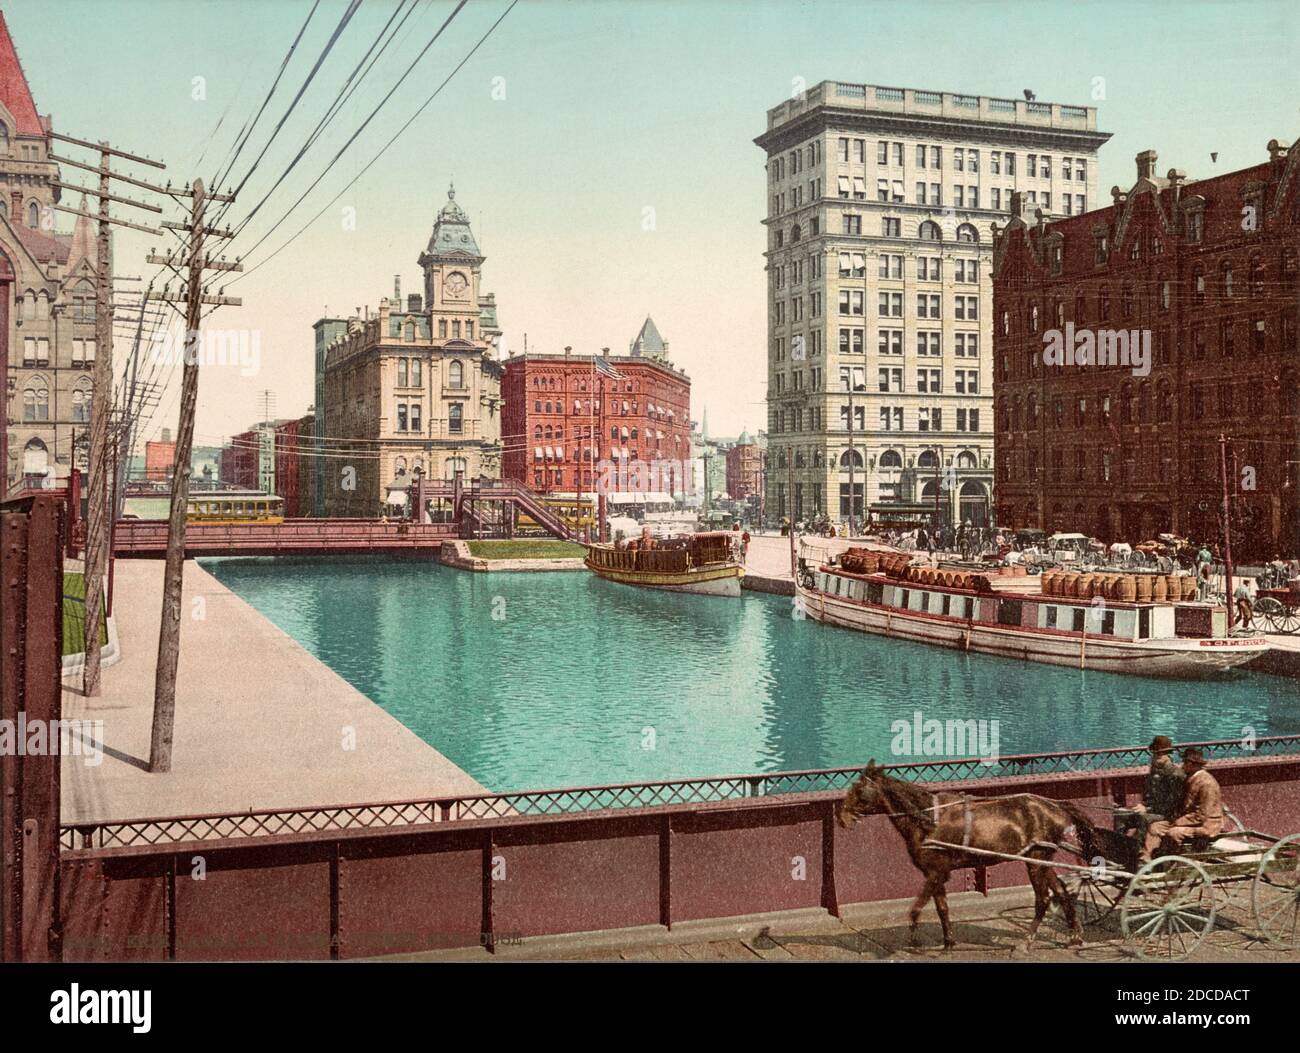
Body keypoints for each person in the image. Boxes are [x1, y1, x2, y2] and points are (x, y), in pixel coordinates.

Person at [1142, 748, 1224, 863]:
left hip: (1207, 825)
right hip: (1191, 822)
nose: (1182, 766)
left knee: (1173, 833)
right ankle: (1147, 860)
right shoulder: (1192, 778)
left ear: (1190, 764)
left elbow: (1201, 815)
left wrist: (1178, 822)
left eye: (1184, 762)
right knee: (1155, 827)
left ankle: (1173, 864)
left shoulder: (1206, 784)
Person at [1122, 736, 1186, 845]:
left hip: (1170, 815)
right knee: (1120, 817)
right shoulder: (1154, 773)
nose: (1156, 758)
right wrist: (1142, 805)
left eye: (1159, 755)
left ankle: (1139, 851)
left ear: (1168, 755)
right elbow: (1148, 796)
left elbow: (1173, 804)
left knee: (1143, 819)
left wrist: (1147, 809)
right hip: (1154, 811)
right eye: (1155, 754)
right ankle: (1119, 847)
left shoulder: (1176, 775)